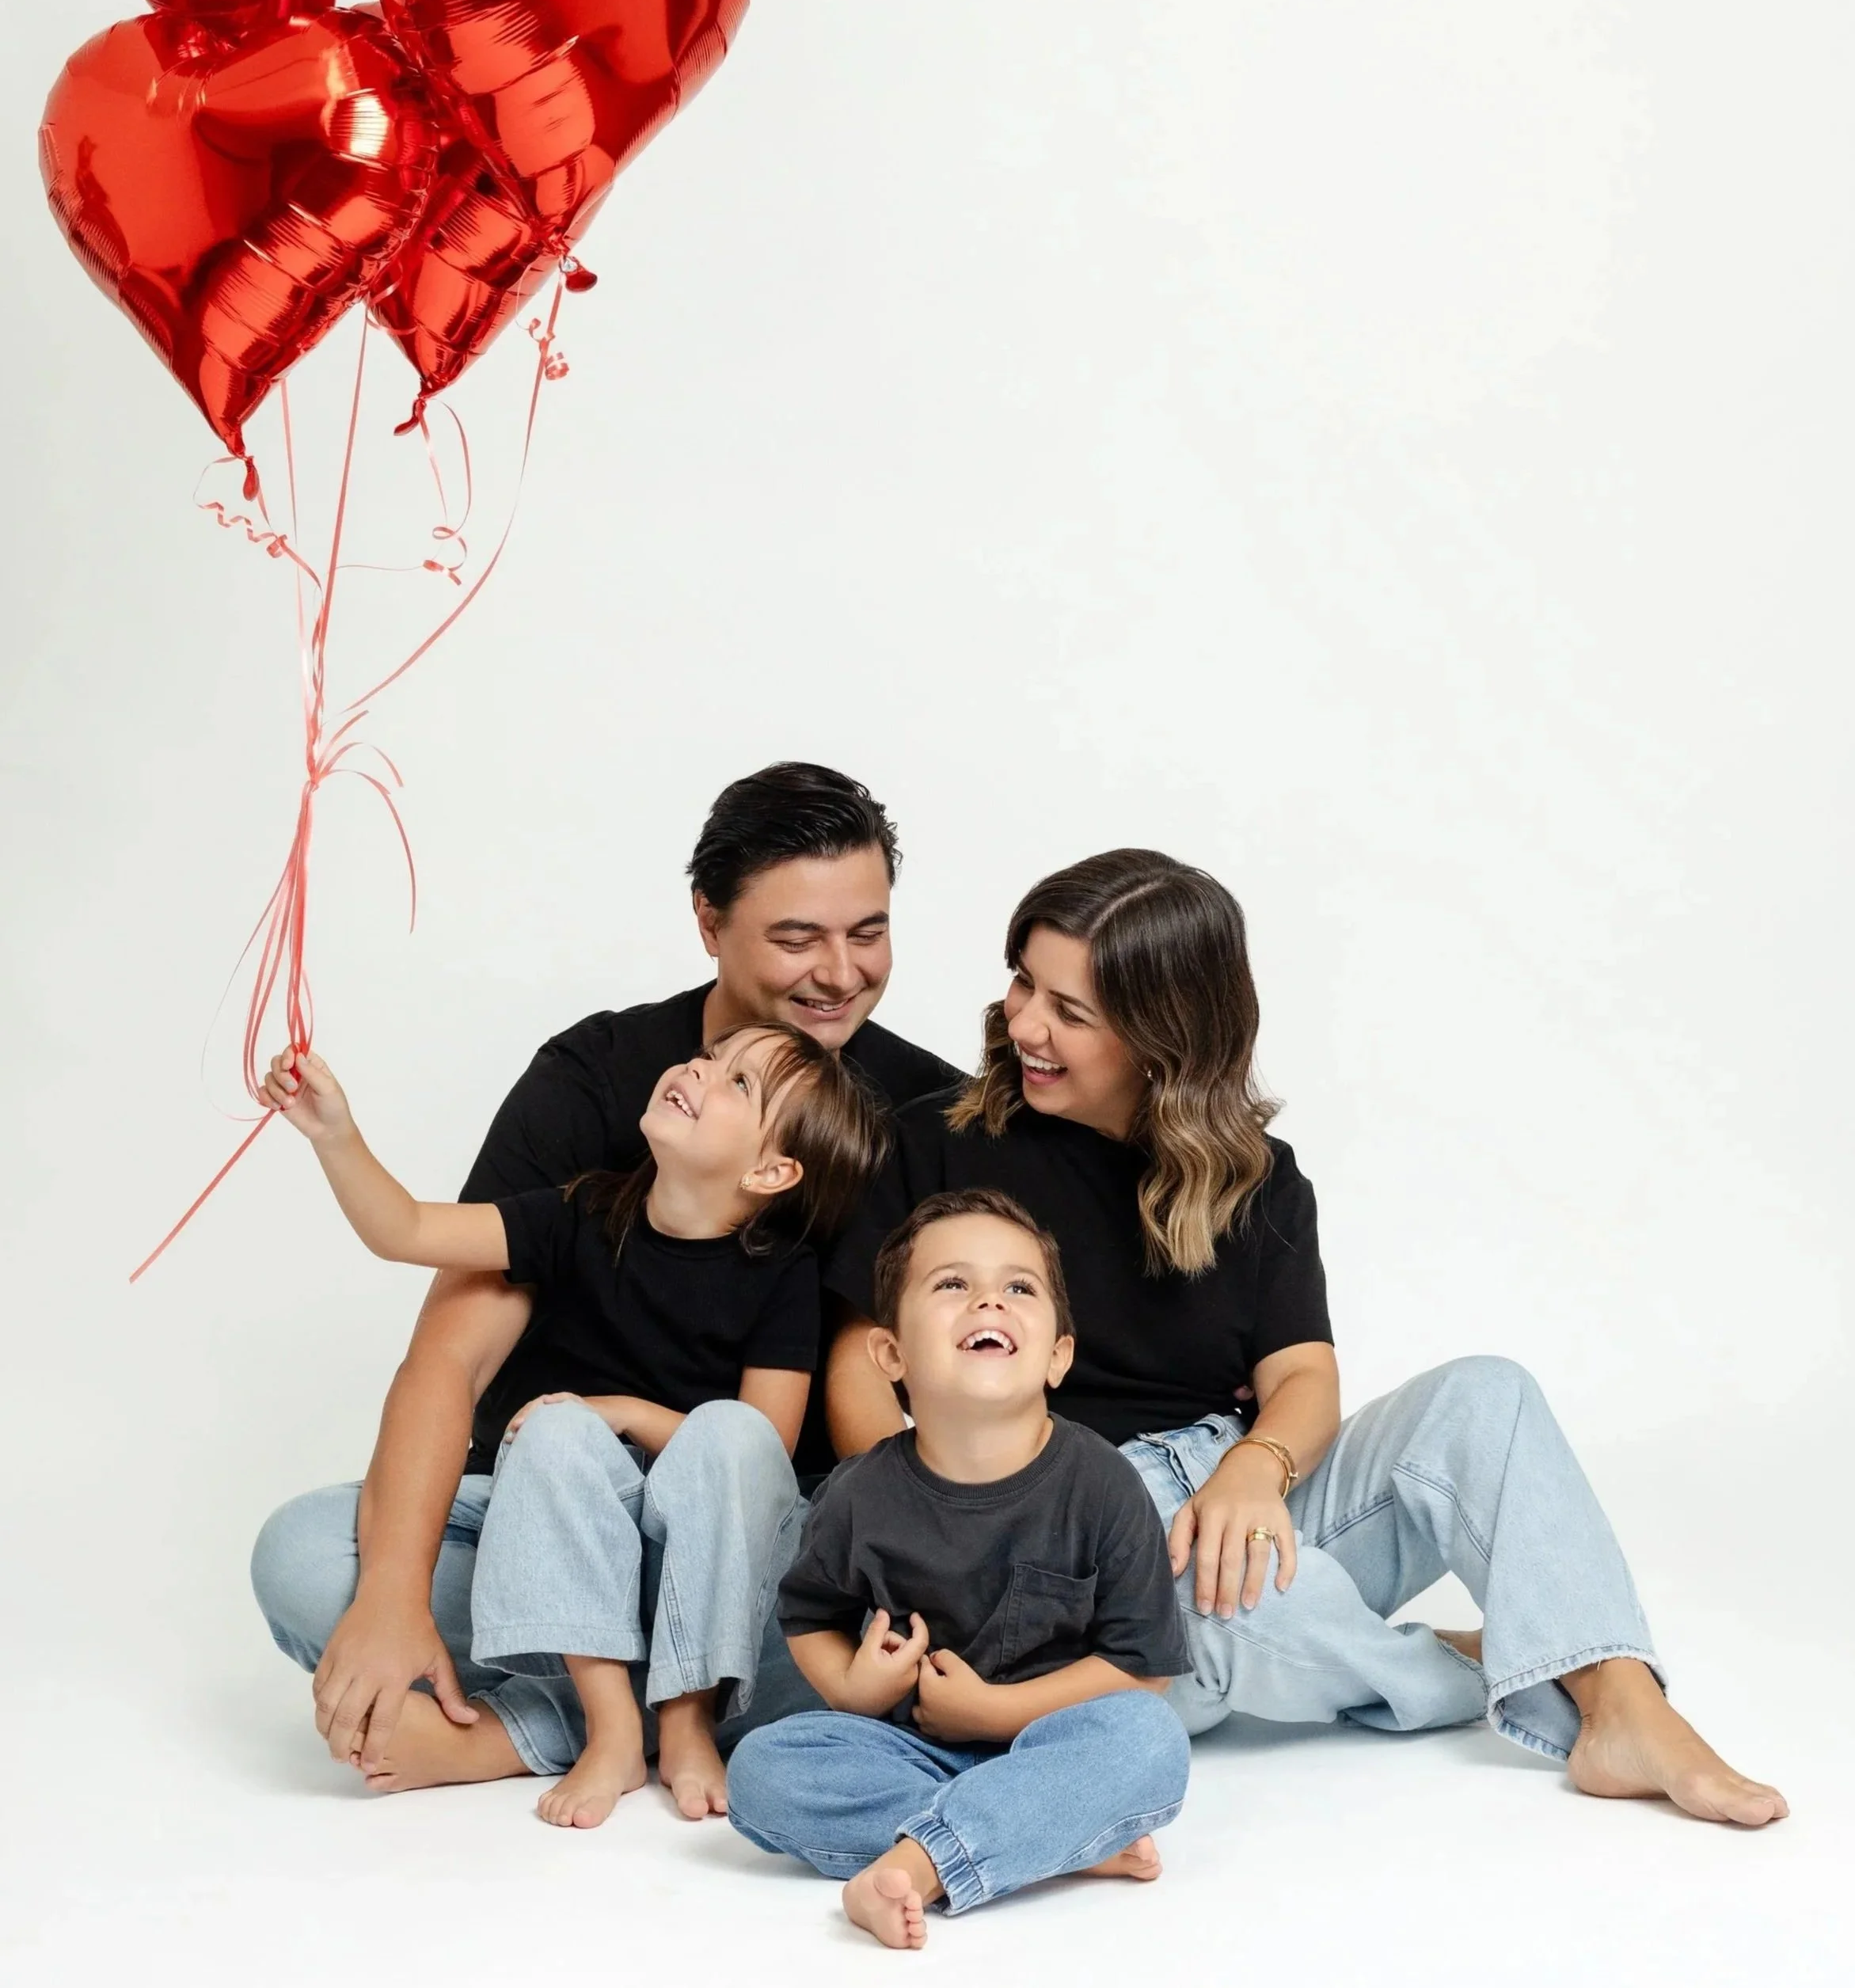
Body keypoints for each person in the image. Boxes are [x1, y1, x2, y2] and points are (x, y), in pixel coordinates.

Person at [824, 850, 1788, 1829]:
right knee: (1222, 1602)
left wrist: (1255, 1468)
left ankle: (1623, 1702)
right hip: (1064, 1536)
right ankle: (1501, 1663)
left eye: (1069, 1011)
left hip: (1241, 1499)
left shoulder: (1258, 1178)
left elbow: (1304, 1376)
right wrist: (939, 1531)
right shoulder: (937, 1142)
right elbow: (862, 1364)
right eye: (1024, 981)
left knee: (1486, 1394)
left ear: (1164, 1036)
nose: (1024, 1022)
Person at [250, 763, 960, 1793]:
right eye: (796, 937)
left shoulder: (924, 1111)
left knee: (918, 1597)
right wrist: (394, 1593)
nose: (840, 973)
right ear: (708, 920)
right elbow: (447, 1355)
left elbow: (860, 1399)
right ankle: (678, 1705)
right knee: (306, 1559)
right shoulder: (598, 1086)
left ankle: (535, 1729)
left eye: (868, 932)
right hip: (554, 1517)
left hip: (759, 1540)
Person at [260, 1021, 885, 1823]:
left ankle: (646, 1719)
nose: (699, 1069)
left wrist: (620, 1413)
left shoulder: (784, 1271)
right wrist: (335, 1136)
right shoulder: (580, 1211)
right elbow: (407, 1229)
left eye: (739, 1082)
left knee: (743, 1455)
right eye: (709, 1056)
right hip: (565, 1535)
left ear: (771, 1171)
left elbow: (763, 1447)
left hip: (716, 1562)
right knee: (314, 1546)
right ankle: (614, 1722)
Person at [728, 1190, 1190, 1949]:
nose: (988, 1301)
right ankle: (1046, 1839)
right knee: (762, 1769)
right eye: (951, 1283)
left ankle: (918, 1865)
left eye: (1019, 1287)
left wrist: (995, 1714)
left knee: (1148, 1740)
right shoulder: (859, 1494)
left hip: (1057, 1746)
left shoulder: (1103, 1483)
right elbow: (809, 1617)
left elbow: (1142, 1673)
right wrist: (853, 1690)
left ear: (1057, 1356)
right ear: (891, 1355)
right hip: (911, 1752)